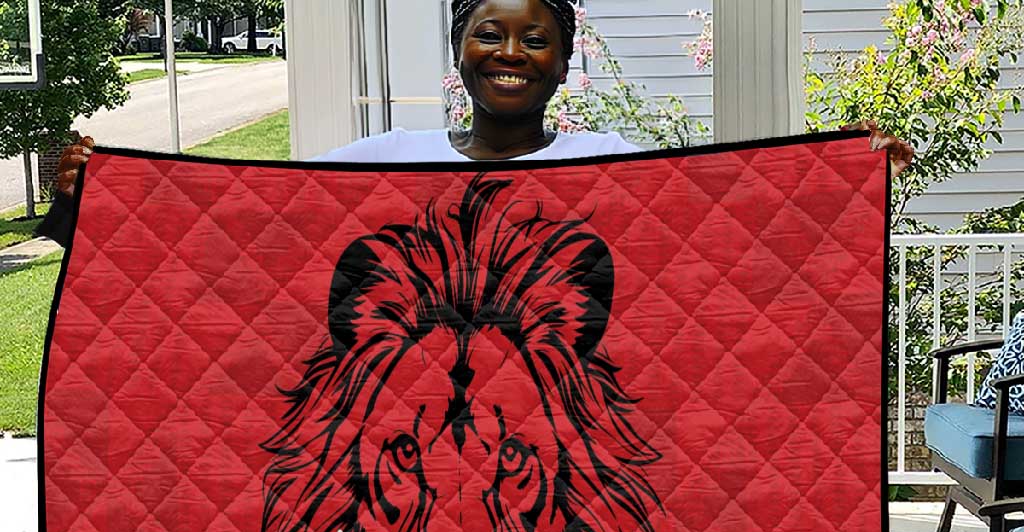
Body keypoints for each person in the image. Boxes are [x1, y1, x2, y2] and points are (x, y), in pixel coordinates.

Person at [38, 0, 914, 246]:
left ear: (563, 62)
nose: (511, 52)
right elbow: (247, 229)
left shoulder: (615, 164)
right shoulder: (385, 158)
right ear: (459, 51)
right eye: (489, 33)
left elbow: (734, 235)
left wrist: (847, 183)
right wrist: (99, 199)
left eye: (536, 38)